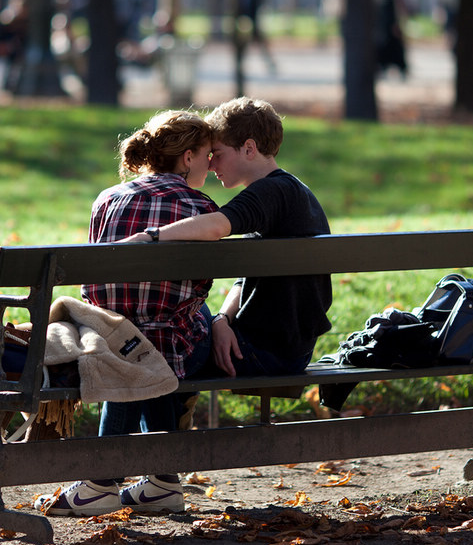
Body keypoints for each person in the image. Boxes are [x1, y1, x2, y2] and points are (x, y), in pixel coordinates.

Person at [37, 110, 218, 517]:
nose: (211, 163)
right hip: (173, 347)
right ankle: (153, 480)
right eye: (207, 154)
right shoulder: (201, 205)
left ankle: (110, 481)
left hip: (108, 337)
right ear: (187, 157)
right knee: (176, 328)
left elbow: (92, 287)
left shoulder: (108, 198)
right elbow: (205, 282)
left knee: (131, 341)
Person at [124, 97, 333, 381]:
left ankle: (164, 424)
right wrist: (222, 319)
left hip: (263, 352)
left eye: (218, 153)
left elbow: (216, 226)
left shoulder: (273, 192)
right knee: (165, 335)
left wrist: (150, 237)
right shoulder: (288, 191)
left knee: (158, 337)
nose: (210, 166)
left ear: (249, 148)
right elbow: (244, 280)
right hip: (284, 350)